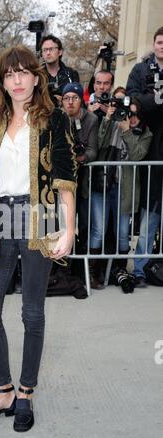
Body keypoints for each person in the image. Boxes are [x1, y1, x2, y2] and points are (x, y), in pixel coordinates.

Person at [0, 45, 76, 432]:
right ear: (2, 81)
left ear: (35, 76)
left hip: (39, 218)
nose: (17, 80)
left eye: (24, 72)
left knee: (32, 313)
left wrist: (70, 228)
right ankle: (3, 392)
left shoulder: (53, 119)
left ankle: (25, 393)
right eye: (10, 74)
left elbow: (65, 177)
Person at [89, 92, 152, 291]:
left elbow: (137, 156)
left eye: (135, 115)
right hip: (103, 183)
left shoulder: (145, 133)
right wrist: (108, 119)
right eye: (128, 113)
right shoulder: (113, 124)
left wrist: (127, 133)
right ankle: (93, 272)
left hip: (125, 188)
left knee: (123, 234)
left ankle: (120, 270)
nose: (131, 118)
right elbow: (98, 144)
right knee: (98, 230)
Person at [126, 26, 163, 287]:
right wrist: (152, 102)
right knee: (149, 213)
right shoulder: (141, 69)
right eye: (160, 42)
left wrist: (149, 102)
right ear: (154, 44)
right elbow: (133, 100)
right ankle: (139, 268)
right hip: (151, 144)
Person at [61, 82, 98, 251]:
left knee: (84, 223)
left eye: (74, 98)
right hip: (61, 178)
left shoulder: (91, 119)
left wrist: (80, 157)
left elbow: (92, 150)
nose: (70, 102)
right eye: (66, 98)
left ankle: (80, 266)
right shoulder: (57, 118)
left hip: (83, 178)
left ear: (80, 100)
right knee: (61, 223)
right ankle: (60, 266)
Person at [40, 34, 80, 107]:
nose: (48, 53)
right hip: (43, 115)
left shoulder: (71, 74)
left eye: (51, 49)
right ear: (42, 54)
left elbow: (78, 100)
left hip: (67, 115)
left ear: (60, 52)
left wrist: (64, 101)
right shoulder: (37, 75)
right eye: (45, 50)